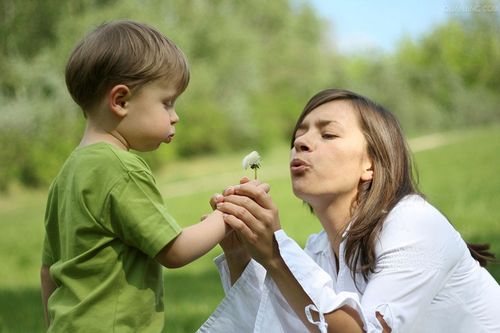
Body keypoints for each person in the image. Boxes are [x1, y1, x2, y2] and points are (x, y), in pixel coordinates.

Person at [198, 88, 500, 332]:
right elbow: (280, 326)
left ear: (370, 163)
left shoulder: (414, 224)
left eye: (328, 134)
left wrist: (276, 255)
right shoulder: (319, 249)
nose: (301, 142)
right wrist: (241, 254)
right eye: (297, 136)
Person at [40, 20, 239, 332]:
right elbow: (175, 250)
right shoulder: (120, 167)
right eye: (167, 102)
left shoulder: (68, 173)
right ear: (121, 101)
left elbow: (48, 269)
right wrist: (228, 216)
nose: (176, 116)